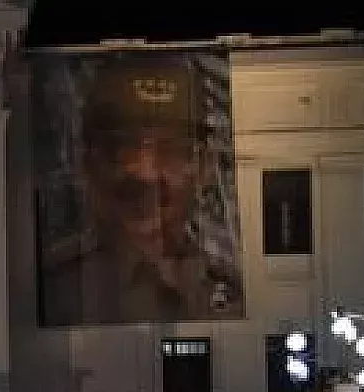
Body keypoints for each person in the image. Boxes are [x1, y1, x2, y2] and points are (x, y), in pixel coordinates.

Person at [39, 56, 241, 325]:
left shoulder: (235, 296)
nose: (145, 173)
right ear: (86, 164)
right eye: (120, 149)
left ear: (205, 167)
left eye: (172, 150)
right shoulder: (50, 296)